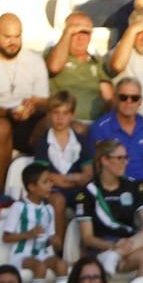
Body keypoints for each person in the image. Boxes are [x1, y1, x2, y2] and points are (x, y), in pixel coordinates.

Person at [0, 14, 51, 191]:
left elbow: (43, 100)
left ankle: (44, 187)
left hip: (27, 117)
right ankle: (0, 190)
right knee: (1, 127)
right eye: (7, 37)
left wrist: (32, 107)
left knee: (52, 123)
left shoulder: (34, 60)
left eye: (17, 36)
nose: (13, 42)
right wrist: (8, 113)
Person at [75, 138, 143, 276]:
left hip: (131, 244)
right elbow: (88, 238)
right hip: (104, 248)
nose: (125, 162)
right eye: (120, 158)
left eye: (126, 158)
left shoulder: (132, 186)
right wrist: (113, 245)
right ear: (104, 160)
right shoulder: (88, 192)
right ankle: (113, 254)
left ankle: (116, 255)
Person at [33, 92, 93, 253]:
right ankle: (58, 247)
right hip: (52, 190)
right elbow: (45, 176)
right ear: (48, 115)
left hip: (77, 191)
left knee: (88, 198)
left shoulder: (80, 141)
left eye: (65, 113)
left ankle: (87, 246)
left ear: (72, 115)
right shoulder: (43, 142)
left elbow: (88, 174)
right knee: (58, 199)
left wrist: (66, 178)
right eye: (56, 113)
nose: (60, 118)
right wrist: (74, 178)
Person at [87, 76, 143, 183]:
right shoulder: (101, 127)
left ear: (140, 101)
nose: (129, 101)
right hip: (114, 187)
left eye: (134, 98)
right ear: (115, 98)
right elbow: (98, 168)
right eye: (123, 97)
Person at [0, 162, 69, 282]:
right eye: (45, 182)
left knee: (62, 265)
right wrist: (29, 234)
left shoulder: (49, 209)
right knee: (40, 267)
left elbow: (50, 238)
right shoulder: (18, 207)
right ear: (32, 187)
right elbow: (6, 237)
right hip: (22, 255)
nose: (50, 185)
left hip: (43, 254)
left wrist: (54, 241)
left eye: (50, 181)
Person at [45, 11, 112, 123]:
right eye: (75, 32)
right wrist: (68, 32)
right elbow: (54, 67)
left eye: (85, 33)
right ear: (65, 33)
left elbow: (108, 97)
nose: (81, 38)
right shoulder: (54, 53)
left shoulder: (96, 60)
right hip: (62, 122)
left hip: (94, 123)